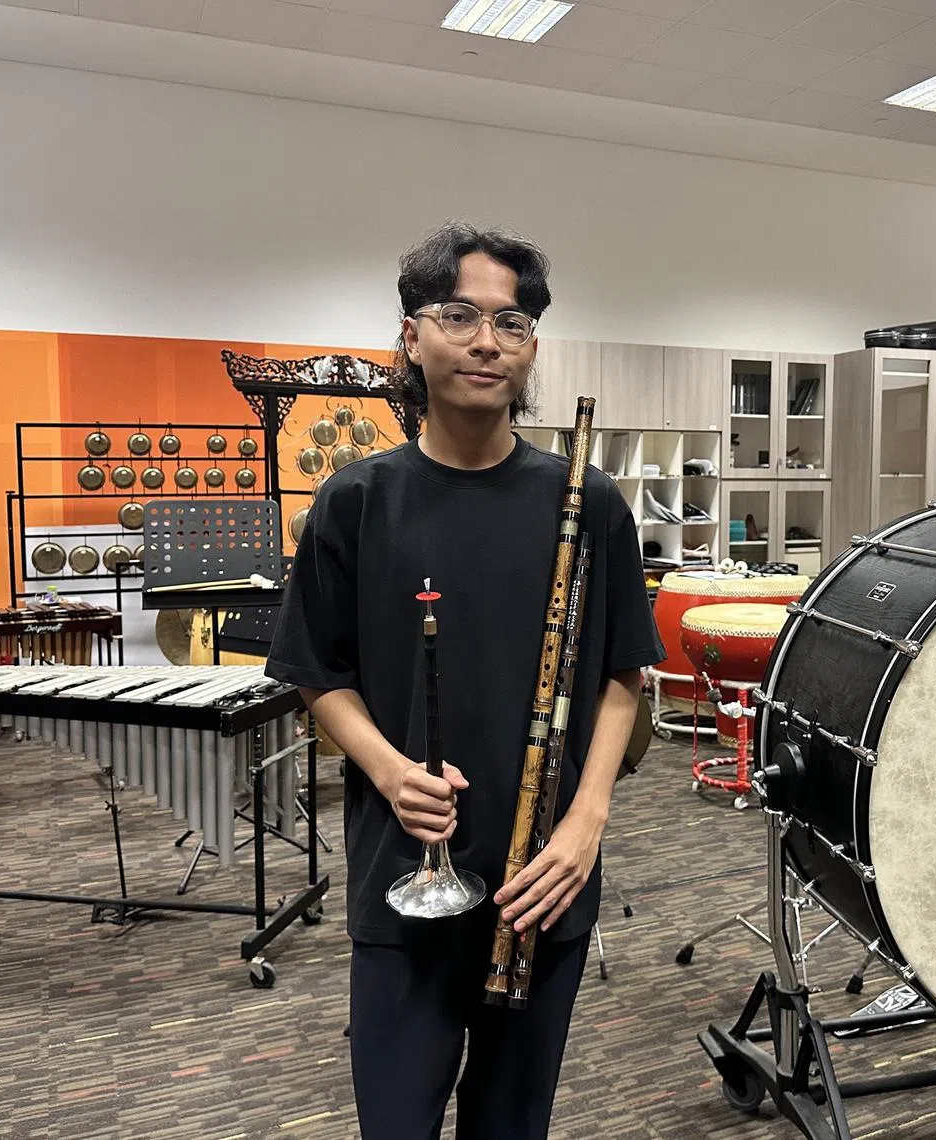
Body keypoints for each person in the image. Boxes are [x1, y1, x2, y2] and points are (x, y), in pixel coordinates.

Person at [265, 221, 664, 1140]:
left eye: (513, 323)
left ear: (531, 348)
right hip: (402, 879)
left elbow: (619, 677)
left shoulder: (588, 502)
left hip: (543, 881)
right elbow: (317, 673)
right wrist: (388, 768)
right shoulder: (358, 501)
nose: (488, 341)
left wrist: (588, 821)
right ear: (413, 335)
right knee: (397, 1124)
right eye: (460, 316)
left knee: (510, 1128)